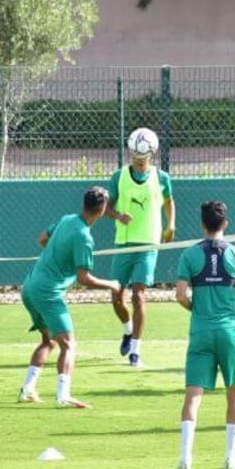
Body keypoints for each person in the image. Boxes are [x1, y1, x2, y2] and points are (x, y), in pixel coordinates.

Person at [174, 201, 235, 469]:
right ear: (225, 224)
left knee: (193, 394)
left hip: (201, 331)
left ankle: (185, 459)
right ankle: (229, 457)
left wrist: (196, 309)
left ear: (202, 224)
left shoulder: (189, 255)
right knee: (234, 391)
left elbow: (180, 294)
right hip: (229, 331)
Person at [18, 186, 122, 408]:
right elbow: (85, 279)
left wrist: (59, 258)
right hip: (48, 293)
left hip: (29, 286)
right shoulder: (84, 237)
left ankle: (27, 389)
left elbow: (42, 240)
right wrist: (112, 284)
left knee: (50, 341)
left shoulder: (67, 220)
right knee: (69, 344)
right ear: (102, 210)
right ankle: (63, 396)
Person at [105, 127, 176, 368]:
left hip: (148, 243)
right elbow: (106, 208)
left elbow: (169, 202)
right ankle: (128, 330)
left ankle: (136, 350)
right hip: (123, 244)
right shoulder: (119, 176)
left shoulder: (162, 177)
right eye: (135, 156)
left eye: (143, 157)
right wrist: (117, 215)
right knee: (116, 297)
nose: (139, 160)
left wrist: (171, 225)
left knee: (139, 296)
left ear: (151, 153)